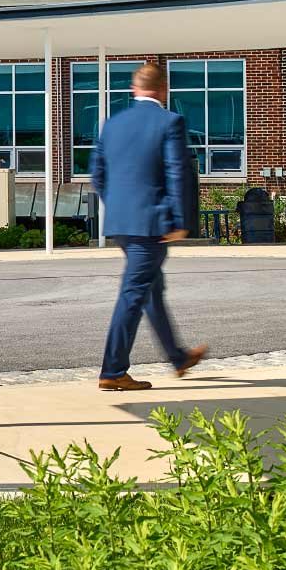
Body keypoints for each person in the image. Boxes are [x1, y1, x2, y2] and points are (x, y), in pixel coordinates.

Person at [86, 58, 208, 392]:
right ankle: (112, 370)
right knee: (134, 293)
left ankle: (178, 357)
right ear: (163, 90)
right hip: (152, 223)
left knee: (151, 288)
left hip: (123, 223)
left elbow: (97, 173)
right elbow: (176, 172)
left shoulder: (112, 124)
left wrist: (121, 208)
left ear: (134, 89)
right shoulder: (170, 121)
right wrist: (181, 221)